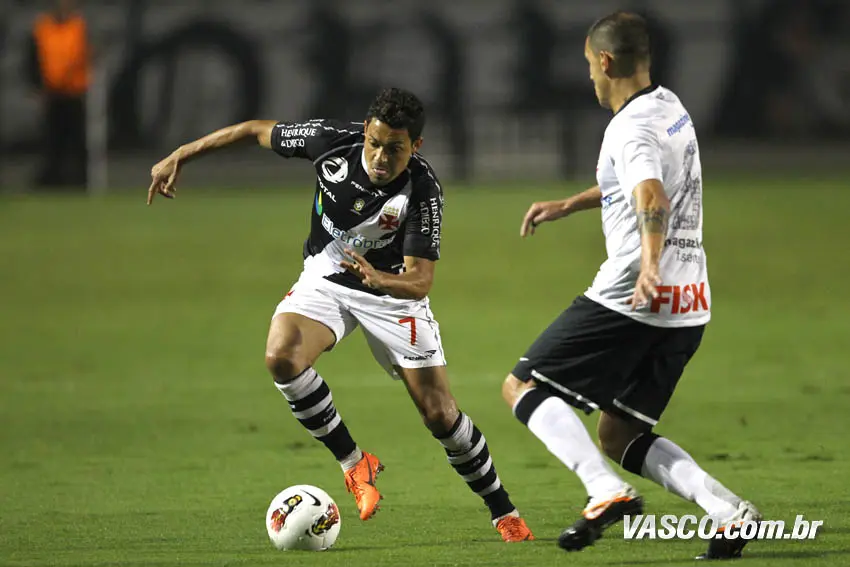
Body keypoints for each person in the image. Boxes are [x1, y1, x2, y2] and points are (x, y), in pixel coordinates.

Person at [147, 88, 534, 542]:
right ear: (365, 132)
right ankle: (355, 464)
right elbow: (254, 131)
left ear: (416, 147)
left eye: (395, 148)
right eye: (375, 142)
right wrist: (180, 155)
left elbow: (421, 280)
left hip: (392, 294)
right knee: (282, 356)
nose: (380, 156)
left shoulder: (423, 190)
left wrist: (378, 280)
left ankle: (502, 511)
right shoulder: (331, 141)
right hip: (328, 276)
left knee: (439, 415)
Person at [501, 12, 761, 559]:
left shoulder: (629, 126)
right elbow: (638, 183)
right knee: (618, 434)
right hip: (690, 303)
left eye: (590, 68)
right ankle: (728, 511)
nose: (591, 80)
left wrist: (646, 264)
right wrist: (570, 204)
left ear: (605, 61)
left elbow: (651, 197)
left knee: (523, 387)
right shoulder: (670, 108)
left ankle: (605, 492)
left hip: (635, 295)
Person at [25, 0, 91, 189]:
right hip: (51, 94)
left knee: (77, 142)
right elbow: (32, 57)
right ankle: (52, 183)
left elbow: (87, 54)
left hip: (74, 93)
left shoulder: (79, 26)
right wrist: (36, 85)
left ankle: (80, 183)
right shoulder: (42, 28)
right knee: (53, 142)